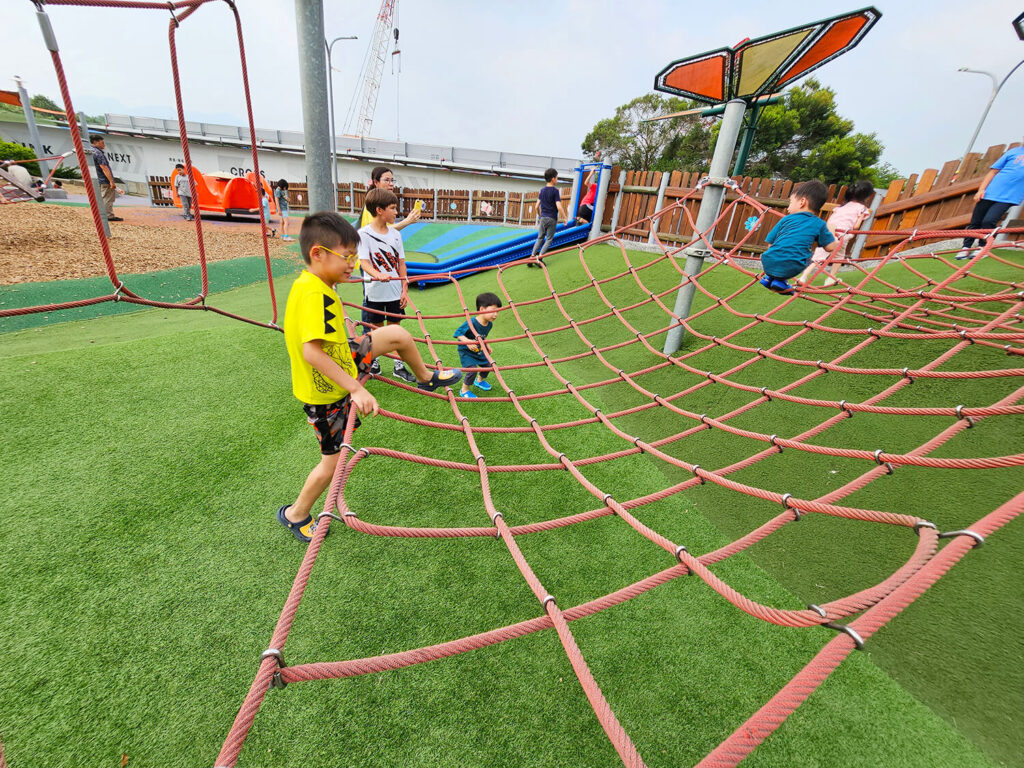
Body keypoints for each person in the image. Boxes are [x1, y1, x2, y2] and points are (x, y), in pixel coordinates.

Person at [278, 211, 462, 542]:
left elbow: (327, 338)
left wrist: (351, 349)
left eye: (353, 256)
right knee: (331, 465)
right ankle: (296, 514)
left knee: (398, 335)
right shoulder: (314, 294)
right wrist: (355, 390)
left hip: (345, 357)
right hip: (326, 394)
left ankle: (424, 376)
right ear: (317, 254)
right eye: (345, 257)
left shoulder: (317, 284)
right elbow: (311, 352)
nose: (352, 264)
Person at [358, 188, 416, 383]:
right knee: (374, 329)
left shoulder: (395, 235)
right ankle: (371, 363)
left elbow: (401, 264)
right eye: (392, 208)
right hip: (374, 292)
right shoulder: (363, 234)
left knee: (395, 330)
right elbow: (364, 262)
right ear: (379, 210)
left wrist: (404, 289)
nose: (396, 213)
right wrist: (377, 274)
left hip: (394, 292)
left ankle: (398, 366)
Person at [759, 180, 837, 294]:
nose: (788, 207)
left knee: (781, 252)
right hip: (792, 267)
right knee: (808, 256)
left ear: (802, 202)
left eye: (791, 202)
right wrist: (832, 231)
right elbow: (830, 247)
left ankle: (770, 278)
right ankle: (780, 281)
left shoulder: (785, 219)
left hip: (767, 262)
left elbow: (770, 243)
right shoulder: (819, 224)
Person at [797, 180, 874, 287]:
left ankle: (803, 277)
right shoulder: (862, 209)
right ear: (866, 196)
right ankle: (831, 278)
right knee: (839, 257)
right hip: (842, 236)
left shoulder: (841, 207)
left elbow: (830, 220)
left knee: (817, 258)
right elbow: (856, 226)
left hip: (829, 233)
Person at [957, 141, 1024, 259]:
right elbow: (993, 172)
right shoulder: (1012, 152)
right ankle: (966, 248)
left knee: (989, 221)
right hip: (989, 193)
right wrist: (981, 190)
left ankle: (983, 247)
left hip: (1009, 197)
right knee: (975, 222)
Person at [454, 292, 502, 398]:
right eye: (493, 311)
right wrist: (468, 342)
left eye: (497, 311)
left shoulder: (489, 324)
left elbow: (483, 336)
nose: (496, 315)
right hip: (466, 351)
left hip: (478, 350)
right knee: (472, 370)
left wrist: (487, 344)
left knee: (489, 366)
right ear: (481, 310)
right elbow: (458, 333)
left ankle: (479, 381)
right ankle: (464, 390)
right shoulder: (471, 322)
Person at [357, 166, 421, 230]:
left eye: (392, 180)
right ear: (376, 182)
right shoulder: (373, 202)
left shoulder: (384, 201)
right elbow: (378, 229)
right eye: (387, 180)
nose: (391, 184)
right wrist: (407, 221)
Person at [529, 168, 567, 266]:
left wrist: (539, 214)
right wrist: (565, 217)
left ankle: (532, 256)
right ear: (553, 178)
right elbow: (559, 206)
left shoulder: (542, 190)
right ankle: (540, 258)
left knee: (540, 237)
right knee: (549, 239)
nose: (557, 179)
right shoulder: (555, 191)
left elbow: (536, 206)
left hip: (543, 217)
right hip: (552, 218)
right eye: (557, 177)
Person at [89, 134, 123, 221]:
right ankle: (108, 215)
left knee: (102, 197)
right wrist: (111, 181)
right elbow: (104, 167)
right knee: (107, 198)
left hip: (97, 178)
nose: (104, 145)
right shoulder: (98, 153)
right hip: (103, 179)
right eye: (102, 143)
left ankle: (102, 214)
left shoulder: (90, 151)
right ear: (96, 142)